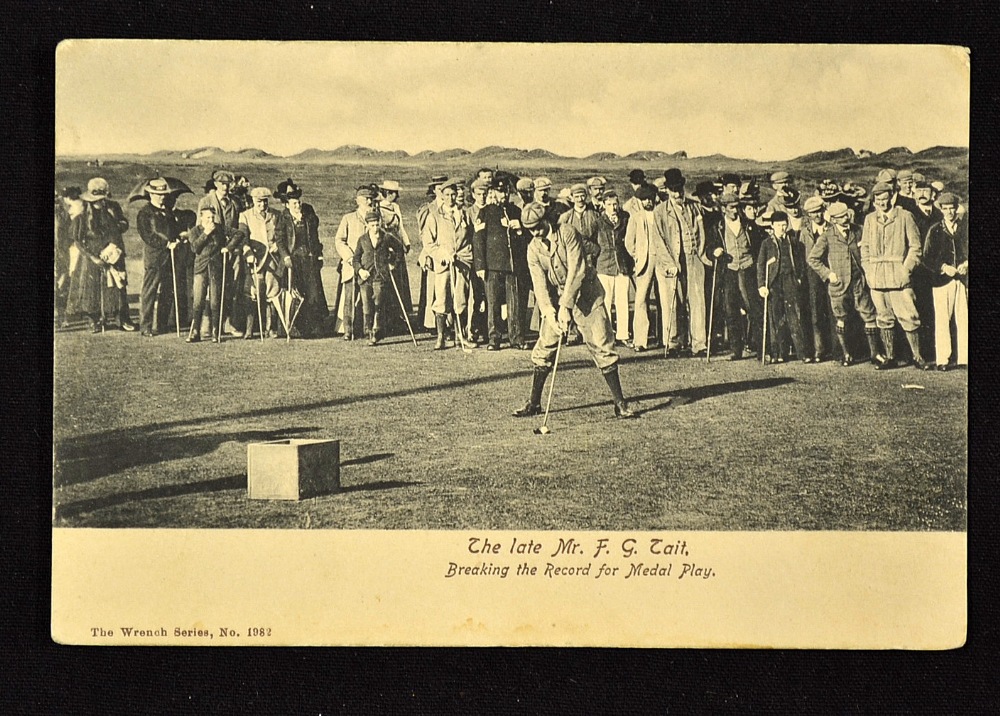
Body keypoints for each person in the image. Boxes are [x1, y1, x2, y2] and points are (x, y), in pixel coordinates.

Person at [512, 203, 637, 420]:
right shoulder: (533, 248)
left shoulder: (567, 233)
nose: (535, 233)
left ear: (545, 220)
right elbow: (539, 285)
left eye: (538, 227)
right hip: (558, 301)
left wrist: (565, 306)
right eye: (530, 229)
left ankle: (620, 403)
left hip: (587, 296)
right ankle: (534, 403)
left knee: (602, 345)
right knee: (544, 348)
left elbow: (577, 270)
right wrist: (550, 314)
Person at [807, 201, 886, 367]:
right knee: (841, 318)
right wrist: (828, 274)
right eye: (841, 217)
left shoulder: (858, 231)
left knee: (869, 316)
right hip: (839, 285)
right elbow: (812, 259)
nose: (846, 218)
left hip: (859, 282)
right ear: (834, 219)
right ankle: (847, 354)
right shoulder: (827, 236)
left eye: (846, 215)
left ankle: (875, 353)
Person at [860, 182, 930, 370]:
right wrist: (868, 268)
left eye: (885, 198)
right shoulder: (869, 219)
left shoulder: (905, 216)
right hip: (876, 277)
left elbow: (916, 247)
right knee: (883, 317)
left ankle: (917, 356)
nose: (882, 203)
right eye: (878, 199)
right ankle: (890, 357)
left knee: (909, 316)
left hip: (899, 277)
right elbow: (864, 247)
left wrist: (905, 269)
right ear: (874, 201)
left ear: (891, 197)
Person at [66, 177, 137, 332]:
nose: (100, 202)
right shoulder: (83, 212)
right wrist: (93, 257)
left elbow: (124, 224)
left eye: (102, 199)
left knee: (118, 284)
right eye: (96, 199)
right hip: (92, 255)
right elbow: (78, 239)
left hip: (113, 252)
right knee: (92, 288)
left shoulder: (113, 208)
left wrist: (117, 227)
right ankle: (94, 319)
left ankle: (121, 318)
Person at [656, 168, 710, 357]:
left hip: (693, 258)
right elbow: (659, 241)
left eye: (679, 189)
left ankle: (699, 344)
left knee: (697, 300)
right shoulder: (660, 212)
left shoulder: (694, 207)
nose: (677, 193)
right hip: (672, 261)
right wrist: (669, 263)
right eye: (673, 190)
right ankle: (673, 343)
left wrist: (702, 254)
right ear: (667, 191)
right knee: (673, 302)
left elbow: (702, 233)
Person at [473, 177, 530, 350]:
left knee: (515, 303)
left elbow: (525, 240)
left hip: (512, 267)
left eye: (506, 191)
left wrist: (519, 229)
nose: (503, 195)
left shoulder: (515, 211)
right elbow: (478, 240)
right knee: (493, 304)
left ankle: (516, 338)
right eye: (499, 191)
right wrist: (480, 265)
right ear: (493, 192)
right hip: (492, 267)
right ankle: (494, 338)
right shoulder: (485, 212)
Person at [704, 193, 763, 360]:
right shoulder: (718, 227)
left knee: (753, 308)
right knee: (731, 309)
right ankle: (736, 350)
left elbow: (758, 246)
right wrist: (715, 251)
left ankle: (760, 347)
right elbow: (709, 248)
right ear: (724, 209)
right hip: (729, 270)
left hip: (747, 269)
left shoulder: (748, 225)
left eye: (737, 207)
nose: (735, 211)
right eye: (732, 208)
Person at [624, 183, 678, 353]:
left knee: (667, 299)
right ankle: (640, 340)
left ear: (655, 197)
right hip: (644, 262)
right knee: (640, 300)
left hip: (662, 260)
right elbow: (628, 242)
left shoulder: (661, 214)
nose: (647, 202)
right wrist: (637, 255)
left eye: (649, 198)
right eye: (643, 199)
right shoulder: (636, 217)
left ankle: (670, 341)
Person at [422, 180, 474, 350]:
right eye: (447, 195)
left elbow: (470, 240)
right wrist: (443, 255)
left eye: (453, 194)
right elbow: (429, 243)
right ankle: (441, 337)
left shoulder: (464, 214)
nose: (451, 198)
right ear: (441, 196)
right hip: (443, 265)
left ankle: (460, 336)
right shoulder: (434, 216)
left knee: (461, 299)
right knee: (442, 300)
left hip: (462, 263)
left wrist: (464, 255)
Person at [757, 211, 811, 363]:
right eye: (778, 225)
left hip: (790, 281)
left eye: (784, 225)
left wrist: (799, 278)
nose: (782, 228)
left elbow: (800, 262)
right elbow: (761, 265)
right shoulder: (767, 243)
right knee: (776, 318)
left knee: (795, 316)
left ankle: (803, 353)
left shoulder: (793, 241)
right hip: (774, 283)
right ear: (772, 226)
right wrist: (762, 285)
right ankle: (779, 353)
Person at [274, 179, 324, 338]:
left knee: (312, 293)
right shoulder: (284, 217)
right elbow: (280, 240)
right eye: (294, 203)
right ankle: (292, 328)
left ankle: (311, 328)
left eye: (298, 202)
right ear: (287, 204)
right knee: (294, 293)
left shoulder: (308, 215)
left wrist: (318, 253)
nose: (297, 205)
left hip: (308, 259)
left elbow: (314, 237)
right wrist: (285, 256)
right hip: (292, 261)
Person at [922, 192, 968, 370]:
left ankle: (964, 357)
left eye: (952, 208)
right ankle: (943, 359)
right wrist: (942, 267)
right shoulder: (935, 230)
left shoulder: (964, 229)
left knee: (963, 318)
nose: (949, 212)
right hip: (941, 281)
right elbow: (926, 257)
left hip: (962, 280)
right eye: (946, 209)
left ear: (957, 209)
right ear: (940, 210)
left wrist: (966, 264)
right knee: (942, 319)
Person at [199, 170, 244, 336]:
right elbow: (200, 227)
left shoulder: (235, 203)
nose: (225, 187)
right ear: (216, 184)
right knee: (211, 287)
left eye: (228, 184)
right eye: (222, 183)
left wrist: (232, 247)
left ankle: (227, 322)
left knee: (231, 285)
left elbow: (238, 229)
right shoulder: (206, 201)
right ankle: (207, 322)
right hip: (211, 251)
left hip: (230, 251)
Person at [334, 185, 382, 340]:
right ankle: (348, 330)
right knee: (349, 297)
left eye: (371, 198)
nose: (369, 201)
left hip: (370, 267)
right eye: (365, 199)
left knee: (369, 298)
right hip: (351, 265)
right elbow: (339, 240)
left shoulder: (376, 218)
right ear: (358, 200)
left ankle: (367, 329)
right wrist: (348, 258)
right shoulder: (348, 218)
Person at [135, 177, 181, 337]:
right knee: (150, 291)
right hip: (155, 257)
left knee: (168, 291)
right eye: (158, 194)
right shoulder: (145, 213)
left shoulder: (167, 211)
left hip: (170, 257)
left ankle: (161, 324)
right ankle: (146, 326)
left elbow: (172, 230)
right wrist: (167, 244)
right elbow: (148, 235)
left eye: (163, 194)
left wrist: (177, 237)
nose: (162, 197)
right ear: (150, 194)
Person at [236, 187, 283, 339]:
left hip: (272, 259)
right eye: (258, 202)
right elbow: (242, 236)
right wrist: (247, 251)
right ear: (252, 201)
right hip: (254, 260)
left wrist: (278, 245)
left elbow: (282, 234)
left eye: (264, 202)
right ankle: (250, 329)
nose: (262, 205)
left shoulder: (276, 215)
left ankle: (271, 328)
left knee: (272, 292)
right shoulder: (245, 215)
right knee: (253, 292)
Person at [353, 210, 405, 346]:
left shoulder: (386, 237)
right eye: (372, 225)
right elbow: (356, 258)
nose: (375, 228)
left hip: (380, 276)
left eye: (377, 224)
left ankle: (376, 331)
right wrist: (360, 270)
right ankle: (368, 330)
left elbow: (400, 249)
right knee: (367, 305)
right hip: (366, 277)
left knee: (378, 302)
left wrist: (394, 263)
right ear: (367, 225)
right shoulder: (362, 239)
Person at [798, 196, 838, 361]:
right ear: (808, 215)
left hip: (831, 271)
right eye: (813, 213)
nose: (817, 216)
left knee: (833, 310)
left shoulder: (832, 229)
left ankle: (837, 350)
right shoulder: (804, 232)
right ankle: (819, 350)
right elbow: (802, 255)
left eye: (819, 212)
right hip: (812, 275)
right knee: (815, 312)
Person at [186, 206, 230, 343]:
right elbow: (194, 247)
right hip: (200, 268)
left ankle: (215, 331)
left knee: (215, 301)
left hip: (216, 268)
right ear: (201, 218)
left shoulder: (220, 228)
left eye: (212, 217)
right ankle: (195, 331)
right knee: (198, 300)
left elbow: (238, 234)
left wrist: (228, 247)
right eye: (208, 218)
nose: (211, 220)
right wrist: (206, 233)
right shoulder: (195, 231)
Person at [594, 190, 633, 345]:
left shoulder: (626, 219)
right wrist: (597, 251)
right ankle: (607, 336)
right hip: (605, 266)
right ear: (603, 205)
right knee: (606, 301)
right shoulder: (598, 222)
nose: (613, 207)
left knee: (623, 301)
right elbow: (585, 240)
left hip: (622, 266)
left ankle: (623, 335)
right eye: (609, 204)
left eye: (615, 204)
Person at [55, 186, 83, 328]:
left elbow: (68, 234)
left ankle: (62, 316)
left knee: (62, 283)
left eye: (56, 200)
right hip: (61, 251)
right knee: (60, 283)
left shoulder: (63, 214)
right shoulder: (63, 213)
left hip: (62, 252)